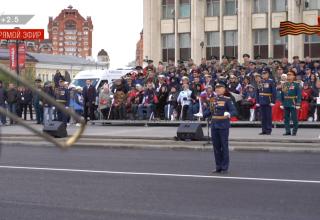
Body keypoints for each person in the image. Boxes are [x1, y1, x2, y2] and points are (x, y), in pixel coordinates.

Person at [209, 83, 237, 174]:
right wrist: (201, 114)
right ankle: (218, 166)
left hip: (223, 125)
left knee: (224, 146)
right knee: (216, 147)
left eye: (219, 88)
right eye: (216, 88)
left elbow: (234, 111)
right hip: (214, 125)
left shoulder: (227, 100)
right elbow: (210, 111)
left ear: (224, 89)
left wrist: (229, 114)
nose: (217, 89)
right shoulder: (212, 99)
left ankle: (224, 167)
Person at [281, 70, 302, 136]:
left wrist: (298, 103)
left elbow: (299, 95)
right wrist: (282, 103)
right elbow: (282, 94)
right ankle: (288, 131)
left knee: (294, 118)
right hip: (286, 102)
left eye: (290, 75)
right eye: (288, 75)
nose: (288, 76)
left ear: (293, 76)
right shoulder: (285, 84)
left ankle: (294, 131)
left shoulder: (296, 84)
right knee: (286, 118)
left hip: (293, 102)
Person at [256, 70, 276, 135]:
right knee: (263, 117)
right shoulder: (260, 81)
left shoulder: (271, 81)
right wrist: (258, 101)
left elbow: (274, 92)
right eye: (263, 74)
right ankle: (263, 130)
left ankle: (268, 130)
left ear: (268, 74)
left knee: (268, 116)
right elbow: (258, 92)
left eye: (265, 74)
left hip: (268, 100)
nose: (264, 75)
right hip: (261, 101)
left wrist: (273, 101)